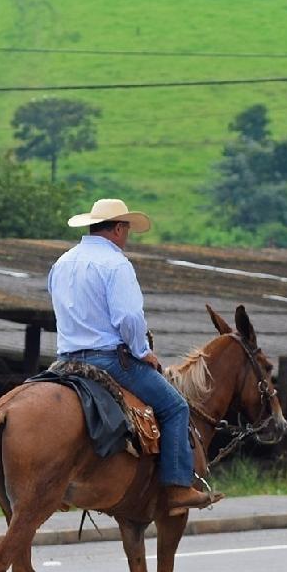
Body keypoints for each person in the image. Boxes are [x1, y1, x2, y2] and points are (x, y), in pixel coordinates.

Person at [48, 198, 217, 515]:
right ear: (117, 228)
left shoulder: (62, 262)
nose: (126, 237)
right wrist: (143, 352)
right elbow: (128, 318)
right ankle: (177, 488)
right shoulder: (116, 264)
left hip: (65, 362)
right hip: (107, 361)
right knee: (175, 407)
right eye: (126, 229)